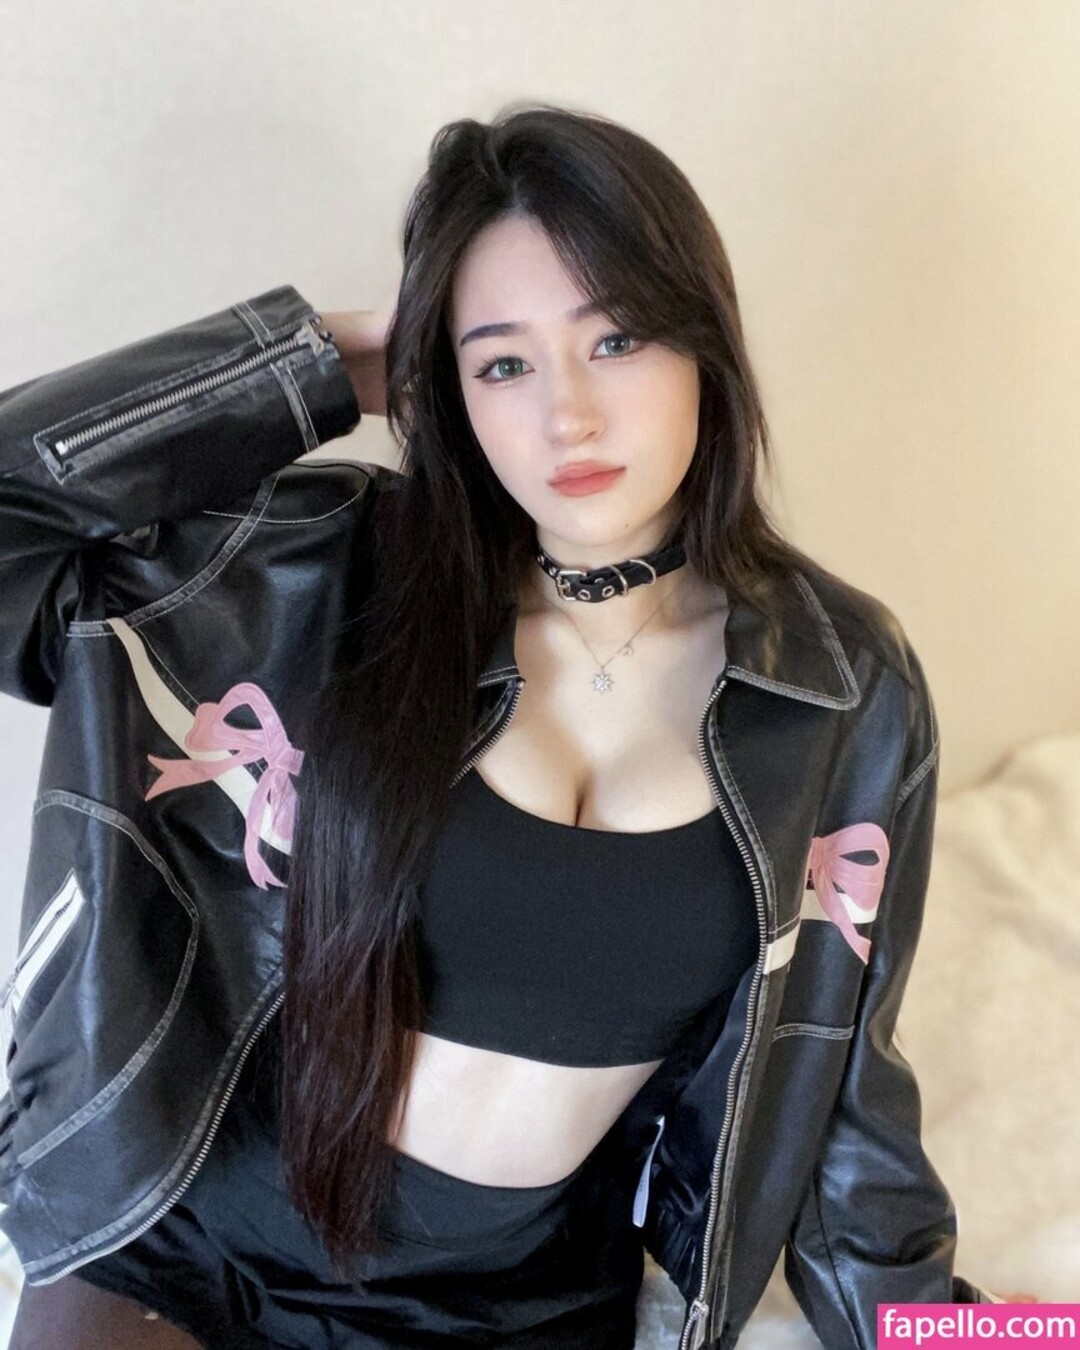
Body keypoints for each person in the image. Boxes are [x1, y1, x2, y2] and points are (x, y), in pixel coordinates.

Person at [0, 103, 1020, 1350]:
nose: (567, 417)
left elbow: (848, 1110)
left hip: (515, 1310)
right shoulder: (314, 571)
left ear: (706, 345)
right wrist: (318, 364)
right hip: (189, 1259)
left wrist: (996, 1338)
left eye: (617, 339)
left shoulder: (843, 687)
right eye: (502, 364)